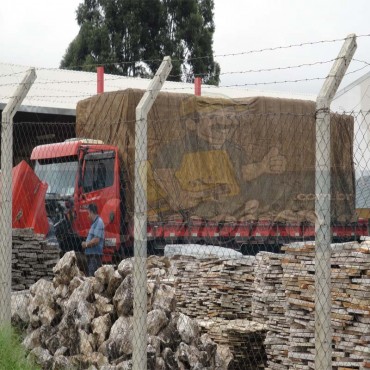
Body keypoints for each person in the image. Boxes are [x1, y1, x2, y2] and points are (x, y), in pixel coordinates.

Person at [81, 203, 104, 276]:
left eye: (88, 213)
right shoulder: (94, 223)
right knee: (90, 276)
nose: (88, 215)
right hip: (92, 256)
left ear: (91, 212)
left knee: (92, 277)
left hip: (94, 256)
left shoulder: (99, 222)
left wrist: (86, 244)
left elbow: (96, 240)